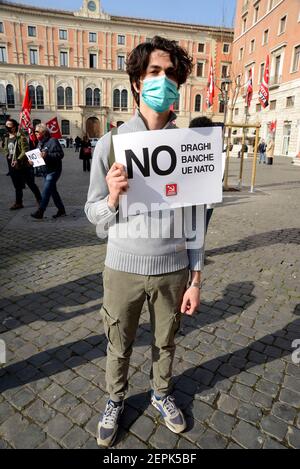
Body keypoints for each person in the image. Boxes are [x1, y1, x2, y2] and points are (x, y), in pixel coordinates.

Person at [85, 36, 204, 448]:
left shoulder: (188, 146)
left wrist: (196, 277)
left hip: (173, 271)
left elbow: (196, 220)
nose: (163, 80)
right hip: (122, 269)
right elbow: (94, 216)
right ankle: (115, 399)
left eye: (171, 74)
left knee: (165, 342)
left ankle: (160, 392)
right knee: (118, 345)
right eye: (154, 72)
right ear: (137, 81)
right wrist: (113, 197)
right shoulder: (110, 143)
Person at [189, 116, 223, 233]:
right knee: (200, 232)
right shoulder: (214, 148)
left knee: (196, 233)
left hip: (202, 201)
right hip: (202, 201)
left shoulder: (213, 149)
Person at [4, 118, 41, 210]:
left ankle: (40, 199)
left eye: (9, 125)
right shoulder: (7, 137)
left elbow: (25, 150)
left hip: (22, 164)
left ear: (14, 127)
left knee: (30, 183)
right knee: (17, 185)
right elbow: (6, 148)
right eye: (6, 125)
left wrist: (18, 159)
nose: (6, 127)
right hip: (12, 164)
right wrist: (7, 154)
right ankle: (18, 203)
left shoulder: (21, 137)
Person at [31, 123, 66, 219]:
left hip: (53, 170)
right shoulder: (39, 143)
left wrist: (48, 155)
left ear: (44, 132)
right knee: (53, 191)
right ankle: (61, 210)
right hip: (44, 171)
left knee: (46, 190)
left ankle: (41, 211)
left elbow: (60, 154)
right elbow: (38, 157)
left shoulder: (53, 141)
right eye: (35, 132)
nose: (35, 133)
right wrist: (32, 162)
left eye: (37, 131)